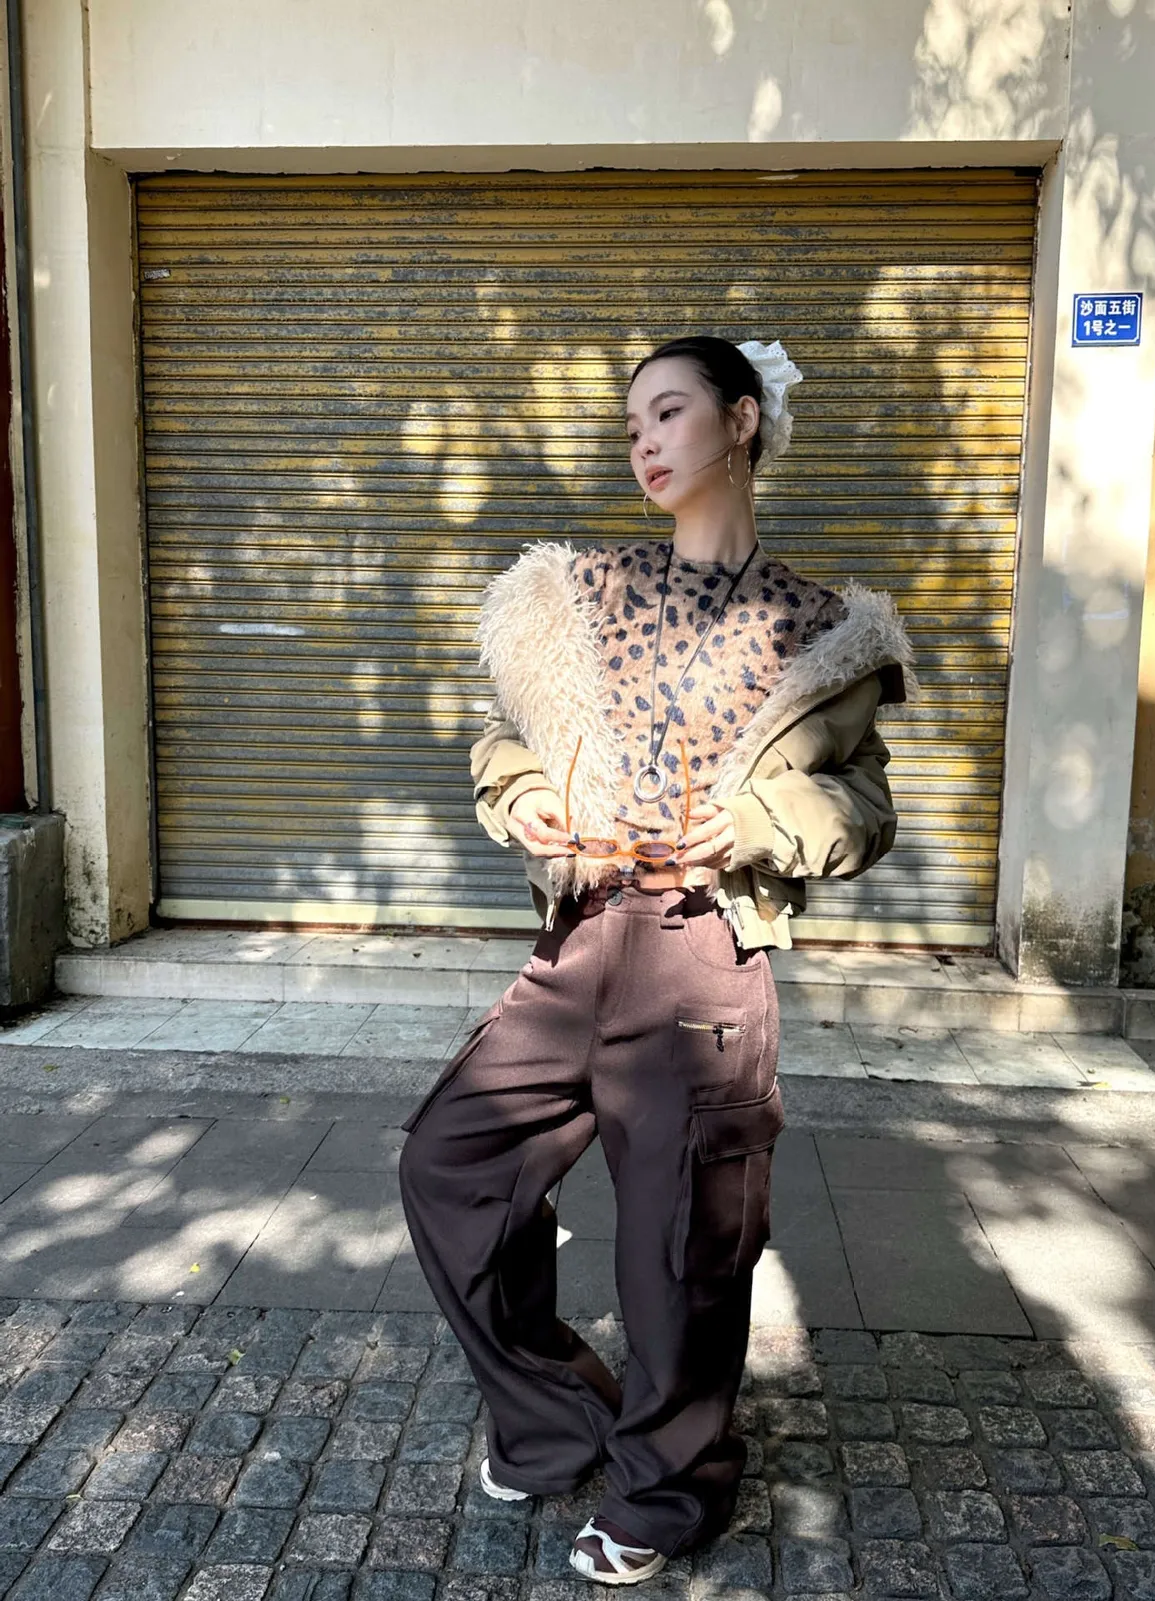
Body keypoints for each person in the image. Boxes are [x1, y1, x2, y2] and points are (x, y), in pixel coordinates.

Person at [398, 335, 917, 1584]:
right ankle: (555, 1416)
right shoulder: (582, 593)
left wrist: (763, 821)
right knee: (450, 1166)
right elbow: (501, 739)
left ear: (741, 421)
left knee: (681, 1248)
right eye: (631, 423)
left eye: (669, 412)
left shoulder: (821, 628)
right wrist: (520, 793)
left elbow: (866, 808)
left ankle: (672, 1486)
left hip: (703, 961)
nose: (643, 441)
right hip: (577, 939)